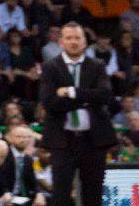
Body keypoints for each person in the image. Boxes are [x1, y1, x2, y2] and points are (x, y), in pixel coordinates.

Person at [41, 22, 117, 206]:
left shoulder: (97, 65)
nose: (73, 42)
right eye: (69, 38)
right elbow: (49, 102)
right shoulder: (51, 66)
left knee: (93, 195)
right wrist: (87, 97)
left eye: (77, 38)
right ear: (61, 42)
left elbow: (105, 95)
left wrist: (71, 91)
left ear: (85, 42)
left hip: (93, 141)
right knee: (61, 195)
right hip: (62, 141)